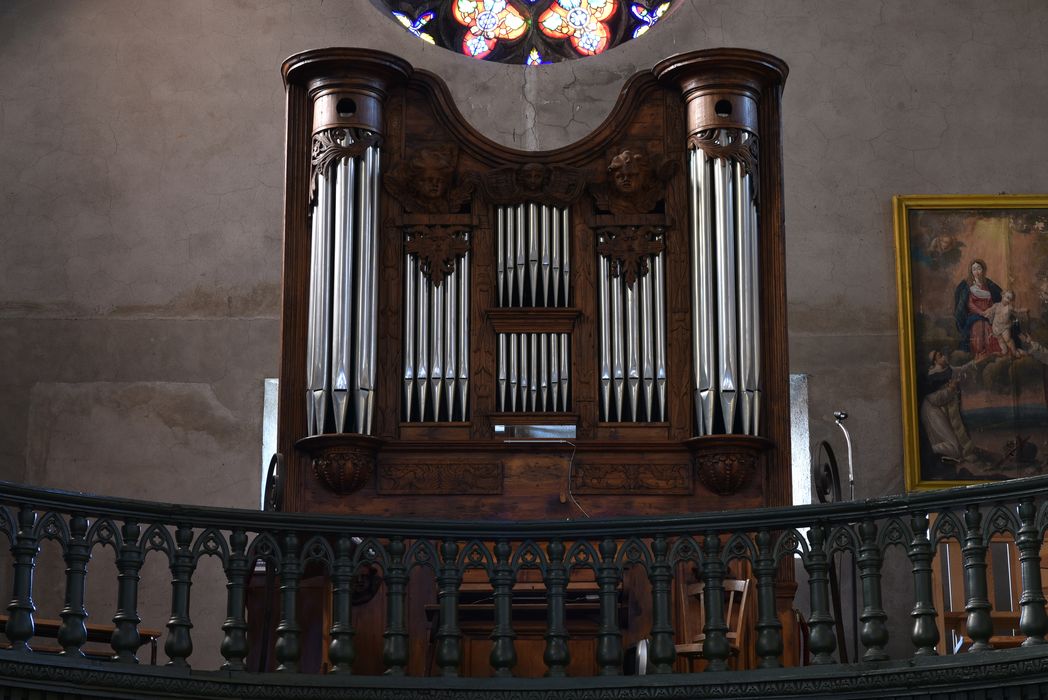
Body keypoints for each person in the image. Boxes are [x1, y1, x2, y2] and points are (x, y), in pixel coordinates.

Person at [920, 350, 978, 464]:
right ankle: (926, 451)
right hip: (932, 411)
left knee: (956, 435)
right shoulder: (932, 375)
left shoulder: (948, 369)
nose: (944, 357)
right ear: (935, 361)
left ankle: (959, 452)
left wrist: (976, 361)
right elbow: (934, 399)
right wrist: (951, 389)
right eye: (940, 355)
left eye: (942, 354)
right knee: (954, 447)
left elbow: (961, 369)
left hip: (942, 409)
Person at [954, 259, 1004, 358]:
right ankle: (980, 352)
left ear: (983, 270)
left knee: (994, 328)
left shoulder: (988, 284)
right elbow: (970, 304)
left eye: (979, 268)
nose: (976, 271)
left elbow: (994, 301)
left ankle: (993, 353)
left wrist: (990, 311)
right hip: (975, 315)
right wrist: (982, 313)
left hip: (989, 314)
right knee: (981, 325)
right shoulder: (968, 286)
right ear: (971, 271)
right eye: (974, 269)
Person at [981, 290, 1025, 357]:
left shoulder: (1009, 307)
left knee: (1007, 339)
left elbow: (1017, 310)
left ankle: (1014, 351)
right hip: (996, 326)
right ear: (1002, 295)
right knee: (1000, 339)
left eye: (1010, 299)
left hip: (1005, 327)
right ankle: (1004, 349)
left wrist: (1024, 310)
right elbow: (990, 309)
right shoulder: (996, 305)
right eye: (1007, 297)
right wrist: (985, 312)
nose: (1008, 300)